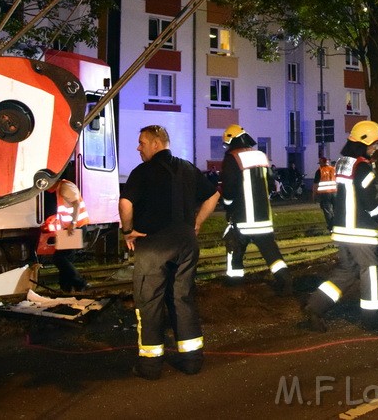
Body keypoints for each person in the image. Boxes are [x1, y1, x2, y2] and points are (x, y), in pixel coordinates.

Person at [119, 125, 220, 380]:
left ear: (156, 143)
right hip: (186, 243)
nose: (138, 147)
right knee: (182, 297)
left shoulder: (142, 172)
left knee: (149, 301)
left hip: (154, 244)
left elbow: (125, 202)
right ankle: (192, 360)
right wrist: (197, 222)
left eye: (142, 142)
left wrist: (128, 230)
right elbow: (213, 195)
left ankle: (151, 366)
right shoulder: (187, 168)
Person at [303, 121, 378, 332]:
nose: (376, 148)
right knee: (372, 271)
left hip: (342, 231)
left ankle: (315, 306)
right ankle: (373, 320)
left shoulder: (342, 163)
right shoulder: (362, 168)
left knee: (347, 271)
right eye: (374, 144)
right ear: (364, 143)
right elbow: (371, 201)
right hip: (361, 232)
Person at [220, 124, 294, 295]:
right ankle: (285, 281)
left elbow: (229, 188)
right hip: (263, 218)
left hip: (242, 218)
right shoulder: (261, 156)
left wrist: (228, 206)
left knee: (234, 249)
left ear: (231, 140)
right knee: (271, 253)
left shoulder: (232, 158)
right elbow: (270, 185)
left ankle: (235, 283)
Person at [47, 173, 89, 293]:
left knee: (59, 258)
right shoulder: (61, 187)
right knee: (66, 258)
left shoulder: (65, 187)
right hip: (71, 228)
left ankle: (80, 282)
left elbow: (76, 203)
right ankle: (66, 287)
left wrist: (73, 223)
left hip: (76, 227)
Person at [312, 157, 336, 231]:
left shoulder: (319, 171)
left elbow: (315, 185)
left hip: (325, 194)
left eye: (320, 163)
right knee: (337, 210)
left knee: (327, 211)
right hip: (335, 192)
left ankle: (331, 227)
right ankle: (338, 225)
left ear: (322, 163)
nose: (319, 165)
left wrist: (314, 195)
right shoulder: (334, 169)